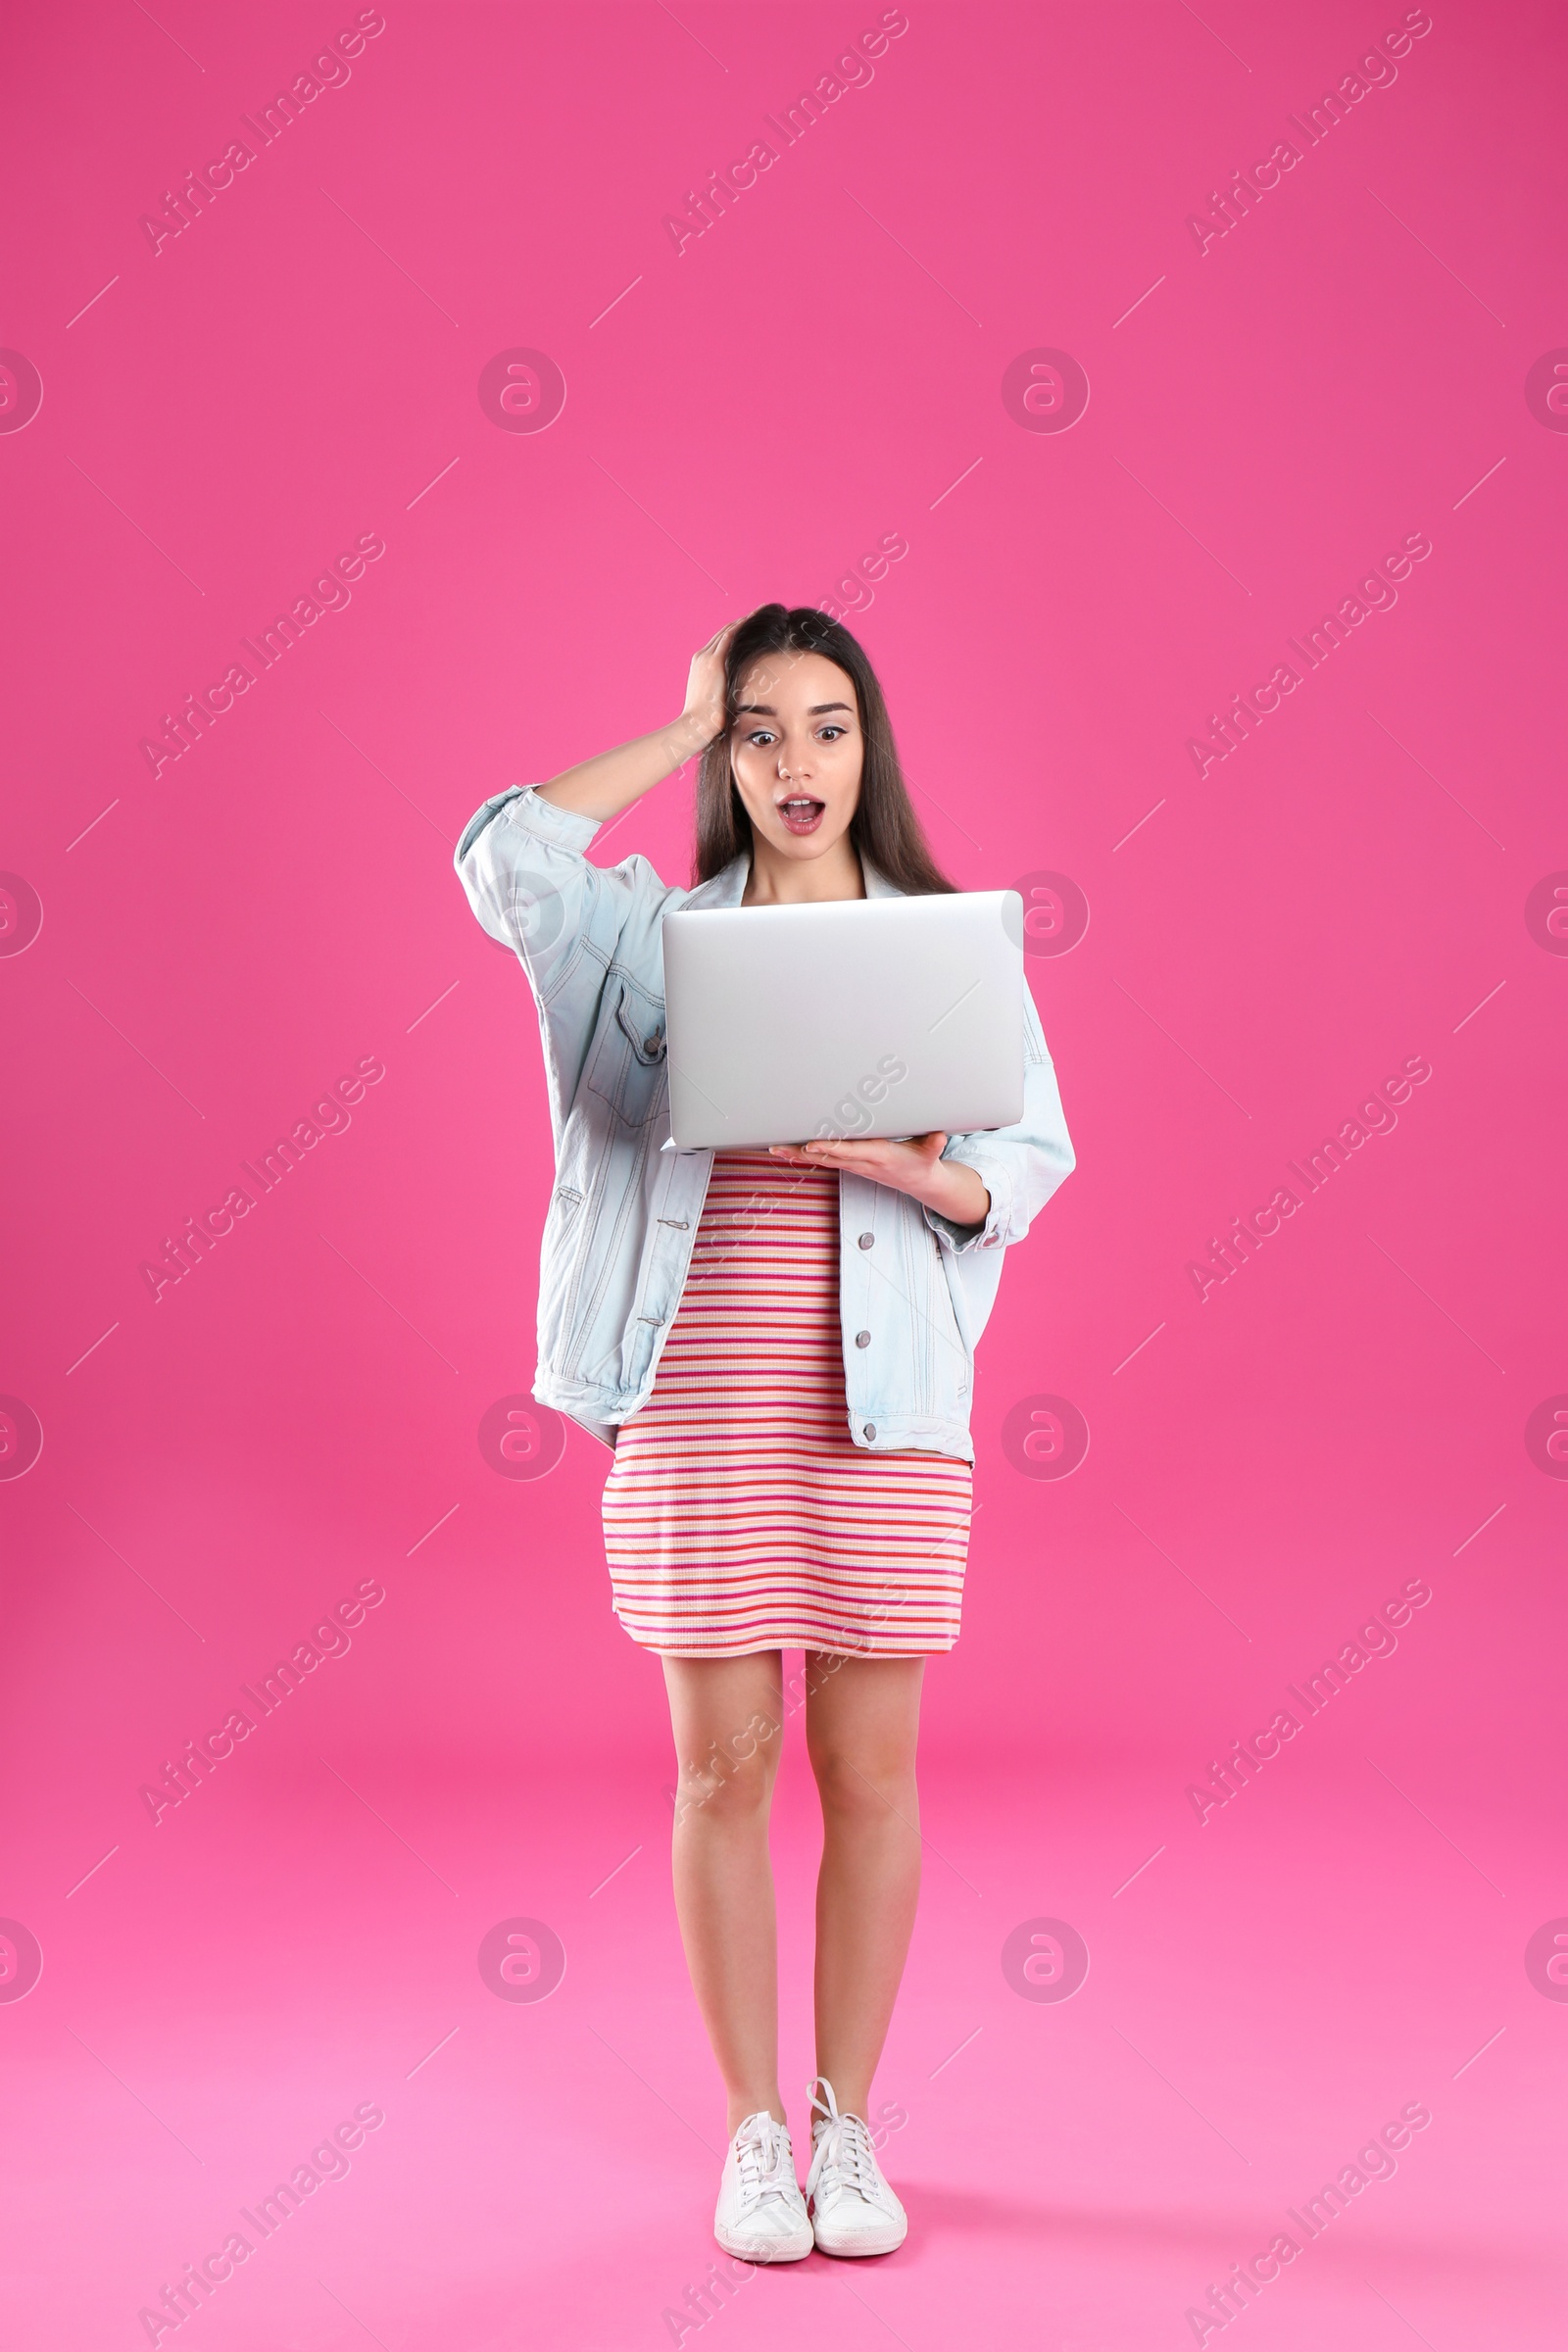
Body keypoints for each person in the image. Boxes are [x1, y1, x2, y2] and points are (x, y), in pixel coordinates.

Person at [454, 605, 1075, 2261]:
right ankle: (749, 2133)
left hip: (884, 1420)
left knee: (872, 1776)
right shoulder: (642, 941)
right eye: (760, 731)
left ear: (872, 748)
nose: (798, 762)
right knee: (716, 1779)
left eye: (827, 726)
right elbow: (507, 860)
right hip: (698, 1412)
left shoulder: (949, 943)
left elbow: (1021, 1164)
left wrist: (891, 1158)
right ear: (728, 757)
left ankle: (848, 2129)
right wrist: (670, 725)